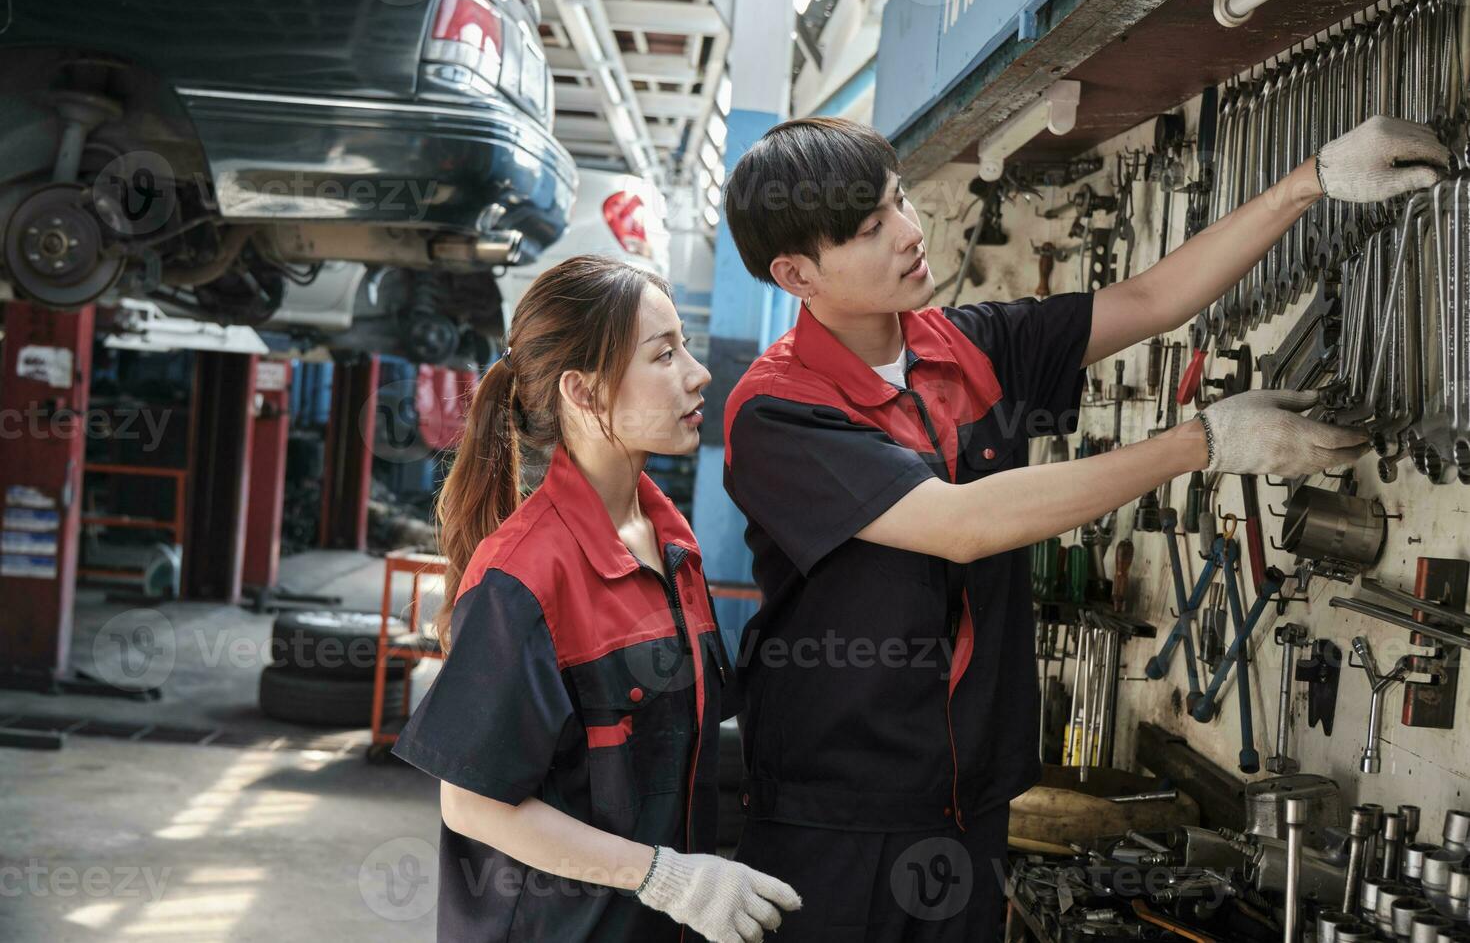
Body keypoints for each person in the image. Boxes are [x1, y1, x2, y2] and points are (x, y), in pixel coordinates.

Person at [717, 115, 1449, 940]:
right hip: (833, 822)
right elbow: (962, 524)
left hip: (973, 805)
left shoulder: (970, 346)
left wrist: (1310, 180)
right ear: (795, 273)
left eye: (900, 204)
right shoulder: (779, 412)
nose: (908, 234)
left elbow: (1149, 300)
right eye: (869, 229)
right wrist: (1199, 443)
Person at [392, 254, 801, 943]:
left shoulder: (670, 542)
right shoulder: (527, 575)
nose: (697, 374)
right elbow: (471, 804)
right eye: (664, 354)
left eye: (687, 348)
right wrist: (667, 878)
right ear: (583, 393)